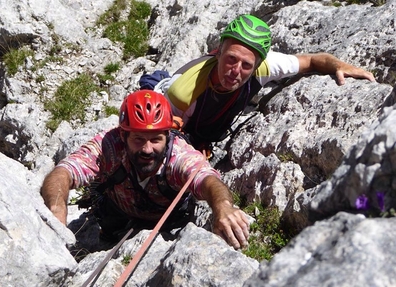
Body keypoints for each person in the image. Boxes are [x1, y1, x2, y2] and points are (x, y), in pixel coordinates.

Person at [40, 90, 250, 249]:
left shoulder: (179, 156)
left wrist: (223, 206)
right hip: (118, 210)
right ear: (123, 136)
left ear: (167, 136)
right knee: (108, 233)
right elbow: (64, 172)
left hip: (167, 221)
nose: (147, 149)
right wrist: (57, 211)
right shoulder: (109, 145)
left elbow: (206, 179)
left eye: (156, 139)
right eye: (138, 139)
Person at [155, 14, 376, 151]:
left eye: (246, 65)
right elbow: (161, 137)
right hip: (167, 98)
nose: (236, 71)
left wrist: (339, 65)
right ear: (219, 52)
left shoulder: (264, 66)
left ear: (257, 63)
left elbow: (311, 60)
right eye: (231, 59)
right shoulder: (184, 92)